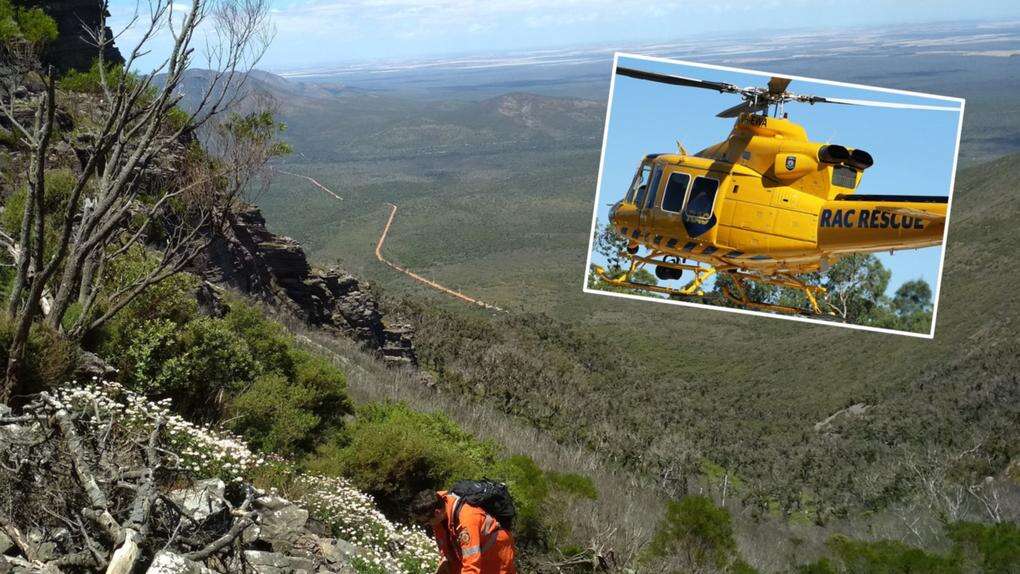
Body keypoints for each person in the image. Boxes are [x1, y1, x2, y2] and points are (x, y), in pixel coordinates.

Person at [410, 489, 517, 574]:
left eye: (426, 522)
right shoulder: (438, 507)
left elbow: (471, 566)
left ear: (437, 513)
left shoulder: (467, 521)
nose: (426, 525)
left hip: (496, 556)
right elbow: (446, 549)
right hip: (473, 554)